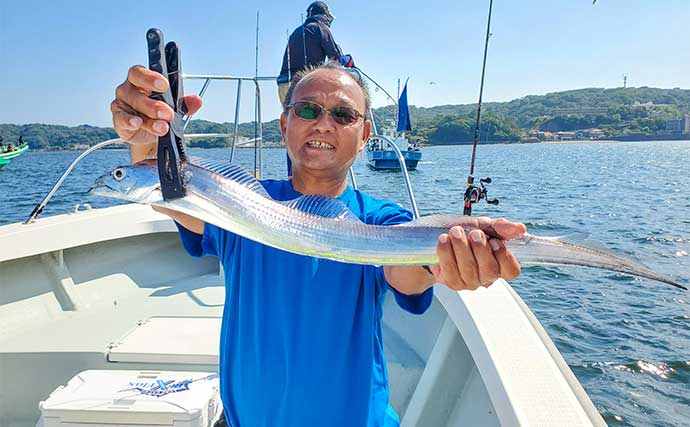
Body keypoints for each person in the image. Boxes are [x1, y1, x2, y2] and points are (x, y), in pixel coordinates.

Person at [111, 61, 525, 427]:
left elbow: (405, 272)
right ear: (284, 125)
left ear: (364, 135)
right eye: (307, 110)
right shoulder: (242, 205)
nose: (323, 123)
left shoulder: (379, 219)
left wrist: (446, 262)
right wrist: (147, 133)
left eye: (343, 114)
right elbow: (169, 192)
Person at [276, 1, 354, 106]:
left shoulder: (296, 32)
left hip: (284, 86)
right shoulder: (321, 28)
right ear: (324, 16)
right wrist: (349, 60)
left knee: (291, 119)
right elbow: (336, 59)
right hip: (304, 85)